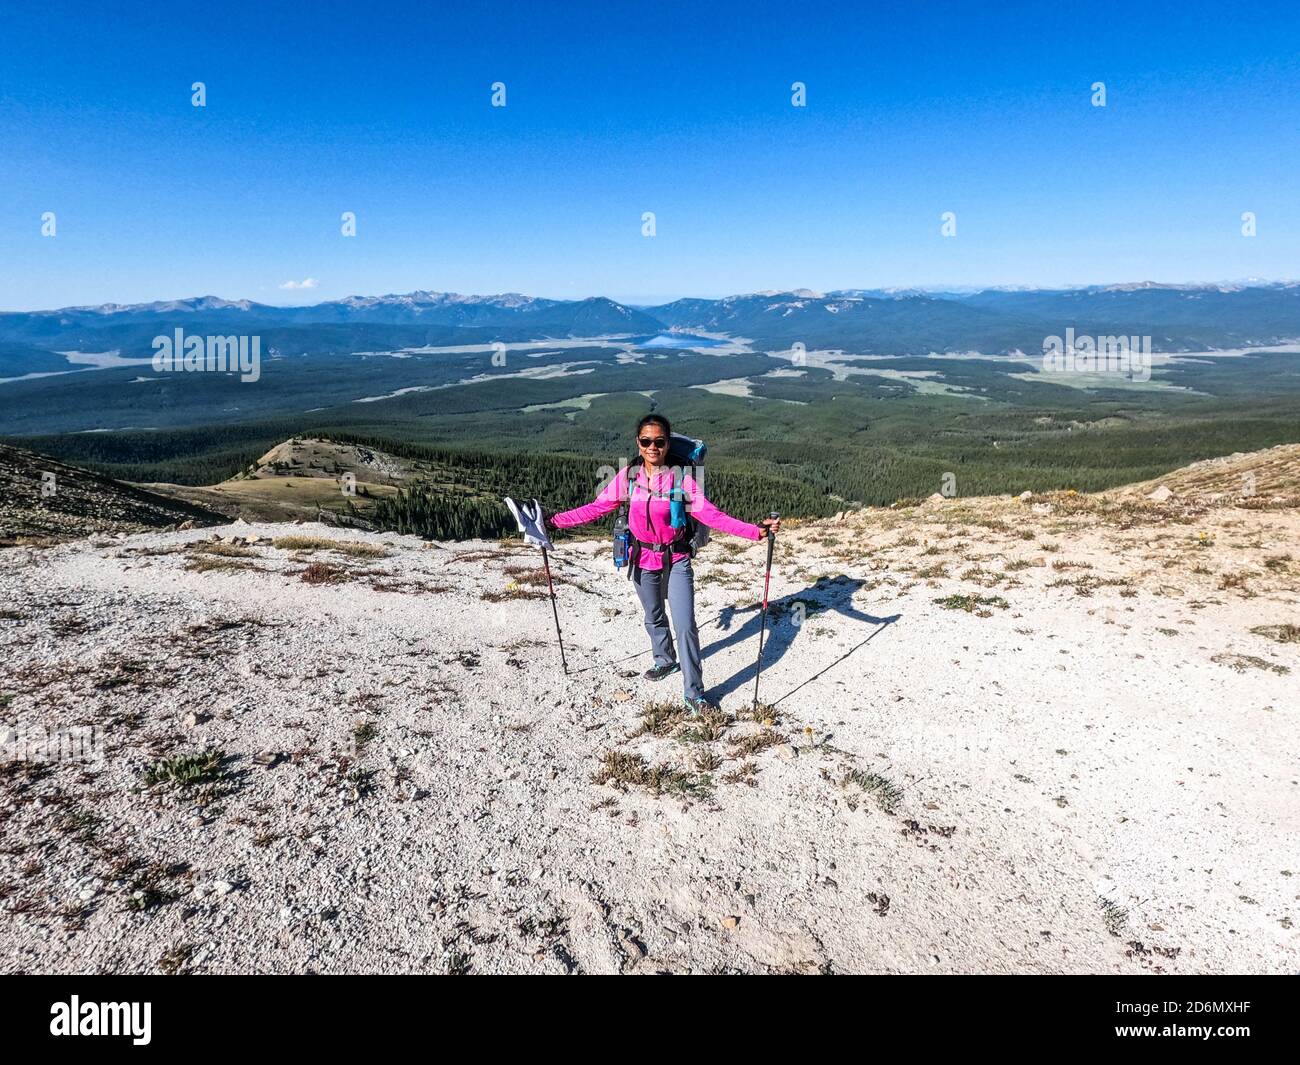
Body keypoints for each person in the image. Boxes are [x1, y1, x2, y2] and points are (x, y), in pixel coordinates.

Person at [546, 413, 780, 713]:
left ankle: (694, 693)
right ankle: (665, 660)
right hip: (641, 558)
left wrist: (754, 531)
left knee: (685, 626)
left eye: (659, 441)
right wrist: (554, 522)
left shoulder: (682, 480)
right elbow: (597, 508)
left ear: (667, 444)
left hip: (677, 558)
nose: (652, 447)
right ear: (638, 443)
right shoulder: (629, 477)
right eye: (646, 441)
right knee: (653, 615)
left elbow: (711, 515)